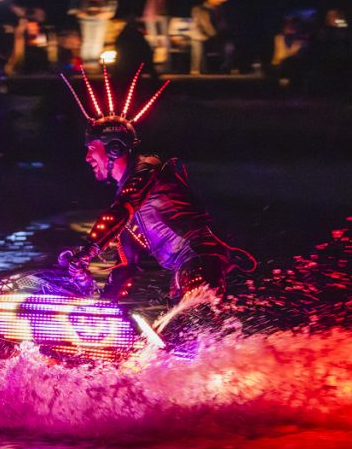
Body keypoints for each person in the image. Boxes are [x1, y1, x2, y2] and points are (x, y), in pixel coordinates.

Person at [58, 65, 253, 304]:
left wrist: (88, 250)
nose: (88, 158)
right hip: (184, 270)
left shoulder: (147, 169)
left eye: (91, 149)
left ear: (114, 149)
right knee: (173, 333)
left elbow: (121, 210)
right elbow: (126, 266)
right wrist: (103, 306)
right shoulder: (128, 207)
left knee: (190, 326)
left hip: (200, 260)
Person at [68, 0, 117, 66]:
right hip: (85, 18)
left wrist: (109, 11)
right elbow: (74, 0)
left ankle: (94, 63)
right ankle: (86, 63)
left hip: (100, 17)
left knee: (97, 39)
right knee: (87, 40)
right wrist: (77, 11)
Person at [190, 0, 233, 75]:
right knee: (197, 42)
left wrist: (223, 35)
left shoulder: (220, 9)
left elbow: (224, 24)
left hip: (216, 36)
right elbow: (206, 25)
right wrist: (215, 36)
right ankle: (195, 69)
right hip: (201, 35)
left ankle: (225, 68)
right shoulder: (199, 9)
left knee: (230, 46)